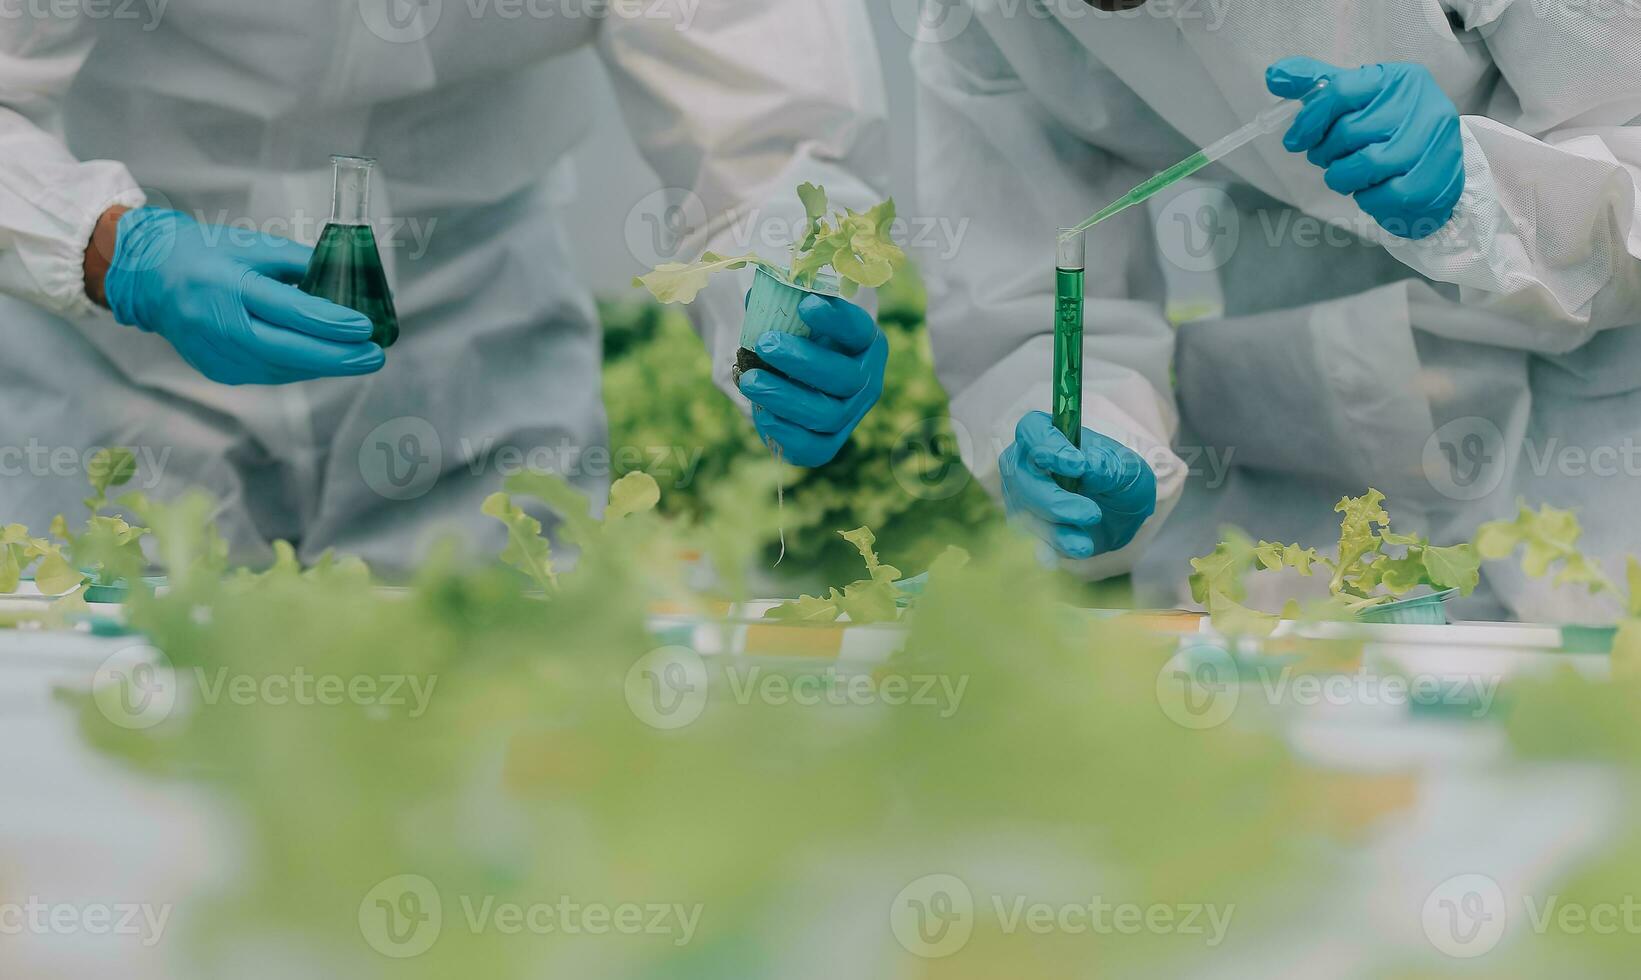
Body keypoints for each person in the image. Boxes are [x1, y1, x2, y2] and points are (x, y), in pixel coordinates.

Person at [0, 1, 890, 571]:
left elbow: (766, 120)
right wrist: (112, 248)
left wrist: (789, 298)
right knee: (107, 764)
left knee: (497, 771)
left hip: (474, 345)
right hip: (105, 353)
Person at [912, 0, 1641, 621]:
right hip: (1306, 460)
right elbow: (1029, 288)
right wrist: (1092, 439)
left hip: (1601, 452)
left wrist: (1489, 193)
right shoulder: (989, 16)